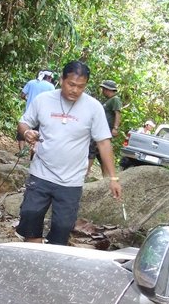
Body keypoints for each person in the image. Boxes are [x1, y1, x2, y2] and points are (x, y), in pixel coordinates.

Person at [16, 60, 121, 246]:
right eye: (71, 84)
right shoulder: (43, 100)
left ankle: (51, 257)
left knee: (62, 227)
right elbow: (24, 122)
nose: (75, 90)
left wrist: (113, 178)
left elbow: (104, 142)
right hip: (41, 173)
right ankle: (34, 254)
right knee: (30, 217)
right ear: (61, 80)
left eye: (81, 86)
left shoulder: (94, 107)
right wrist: (26, 133)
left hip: (71, 180)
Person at [88, 79, 122, 173]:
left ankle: (86, 172)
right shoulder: (108, 100)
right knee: (100, 153)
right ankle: (106, 175)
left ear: (108, 90)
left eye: (103, 89)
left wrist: (115, 128)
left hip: (105, 131)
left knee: (92, 149)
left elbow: (118, 113)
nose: (102, 91)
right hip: (101, 129)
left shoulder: (115, 100)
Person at [16, 70, 55, 151]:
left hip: (28, 112)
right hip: (42, 115)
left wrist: (28, 99)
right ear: (49, 77)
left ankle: (21, 151)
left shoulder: (31, 82)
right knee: (37, 136)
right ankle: (32, 154)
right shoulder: (51, 87)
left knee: (23, 132)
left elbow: (22, 95)